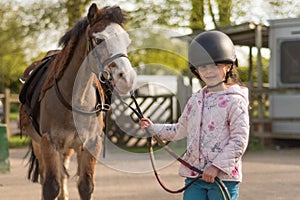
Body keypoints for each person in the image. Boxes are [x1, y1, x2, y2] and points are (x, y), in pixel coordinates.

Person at [139, 30, 249, 200]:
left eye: (215, 65)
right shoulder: (195, 100)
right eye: (203, 66)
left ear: (228, 67)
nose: (208, 71)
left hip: (223, 178)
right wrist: (153, 128)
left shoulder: (236, 102)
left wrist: (216, 167)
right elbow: (179, 130)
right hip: (195, 176)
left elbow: (239, 141)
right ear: (196, 70)